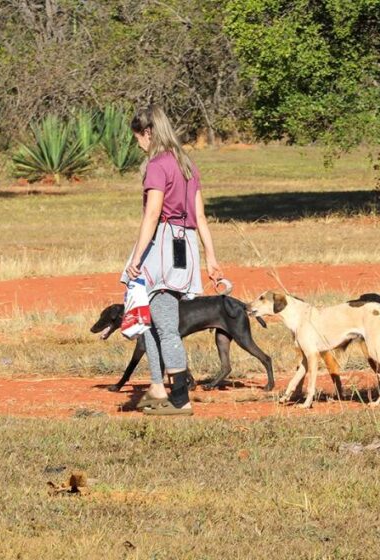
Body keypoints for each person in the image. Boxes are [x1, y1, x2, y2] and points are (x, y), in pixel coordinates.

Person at [121, 105, 222, 416]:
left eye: (138, 136)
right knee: (149, 319)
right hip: (186, 245)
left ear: (148, 133)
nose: (137, 142)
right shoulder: (187, 164)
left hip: (163, 245)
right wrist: (212, 259)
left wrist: (135, 258)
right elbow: (201, 216)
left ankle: (180, 400)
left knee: (164, 324)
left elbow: (153, 214)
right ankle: (156, 387)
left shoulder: (157, 166)